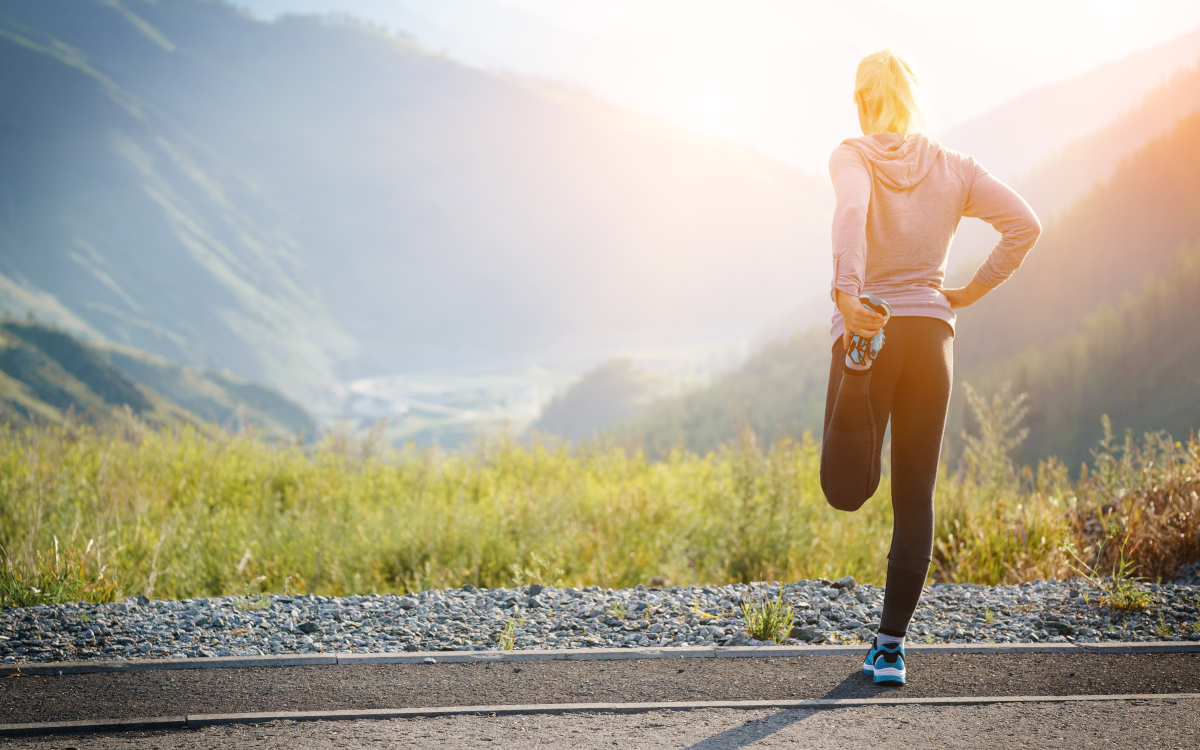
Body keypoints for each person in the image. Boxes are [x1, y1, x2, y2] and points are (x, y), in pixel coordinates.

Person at [821, 49, 1041, 685]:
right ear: (912, 100)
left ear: (862, 100)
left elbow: (849, 215)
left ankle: (860, 367)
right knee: (916, 496)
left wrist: (849, 293)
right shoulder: (956, 168)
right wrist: (968, 293)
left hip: (871, 326)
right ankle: (889, 649)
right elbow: (1023, 225)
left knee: (846, 490)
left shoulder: (852, 154)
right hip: (933, 339)